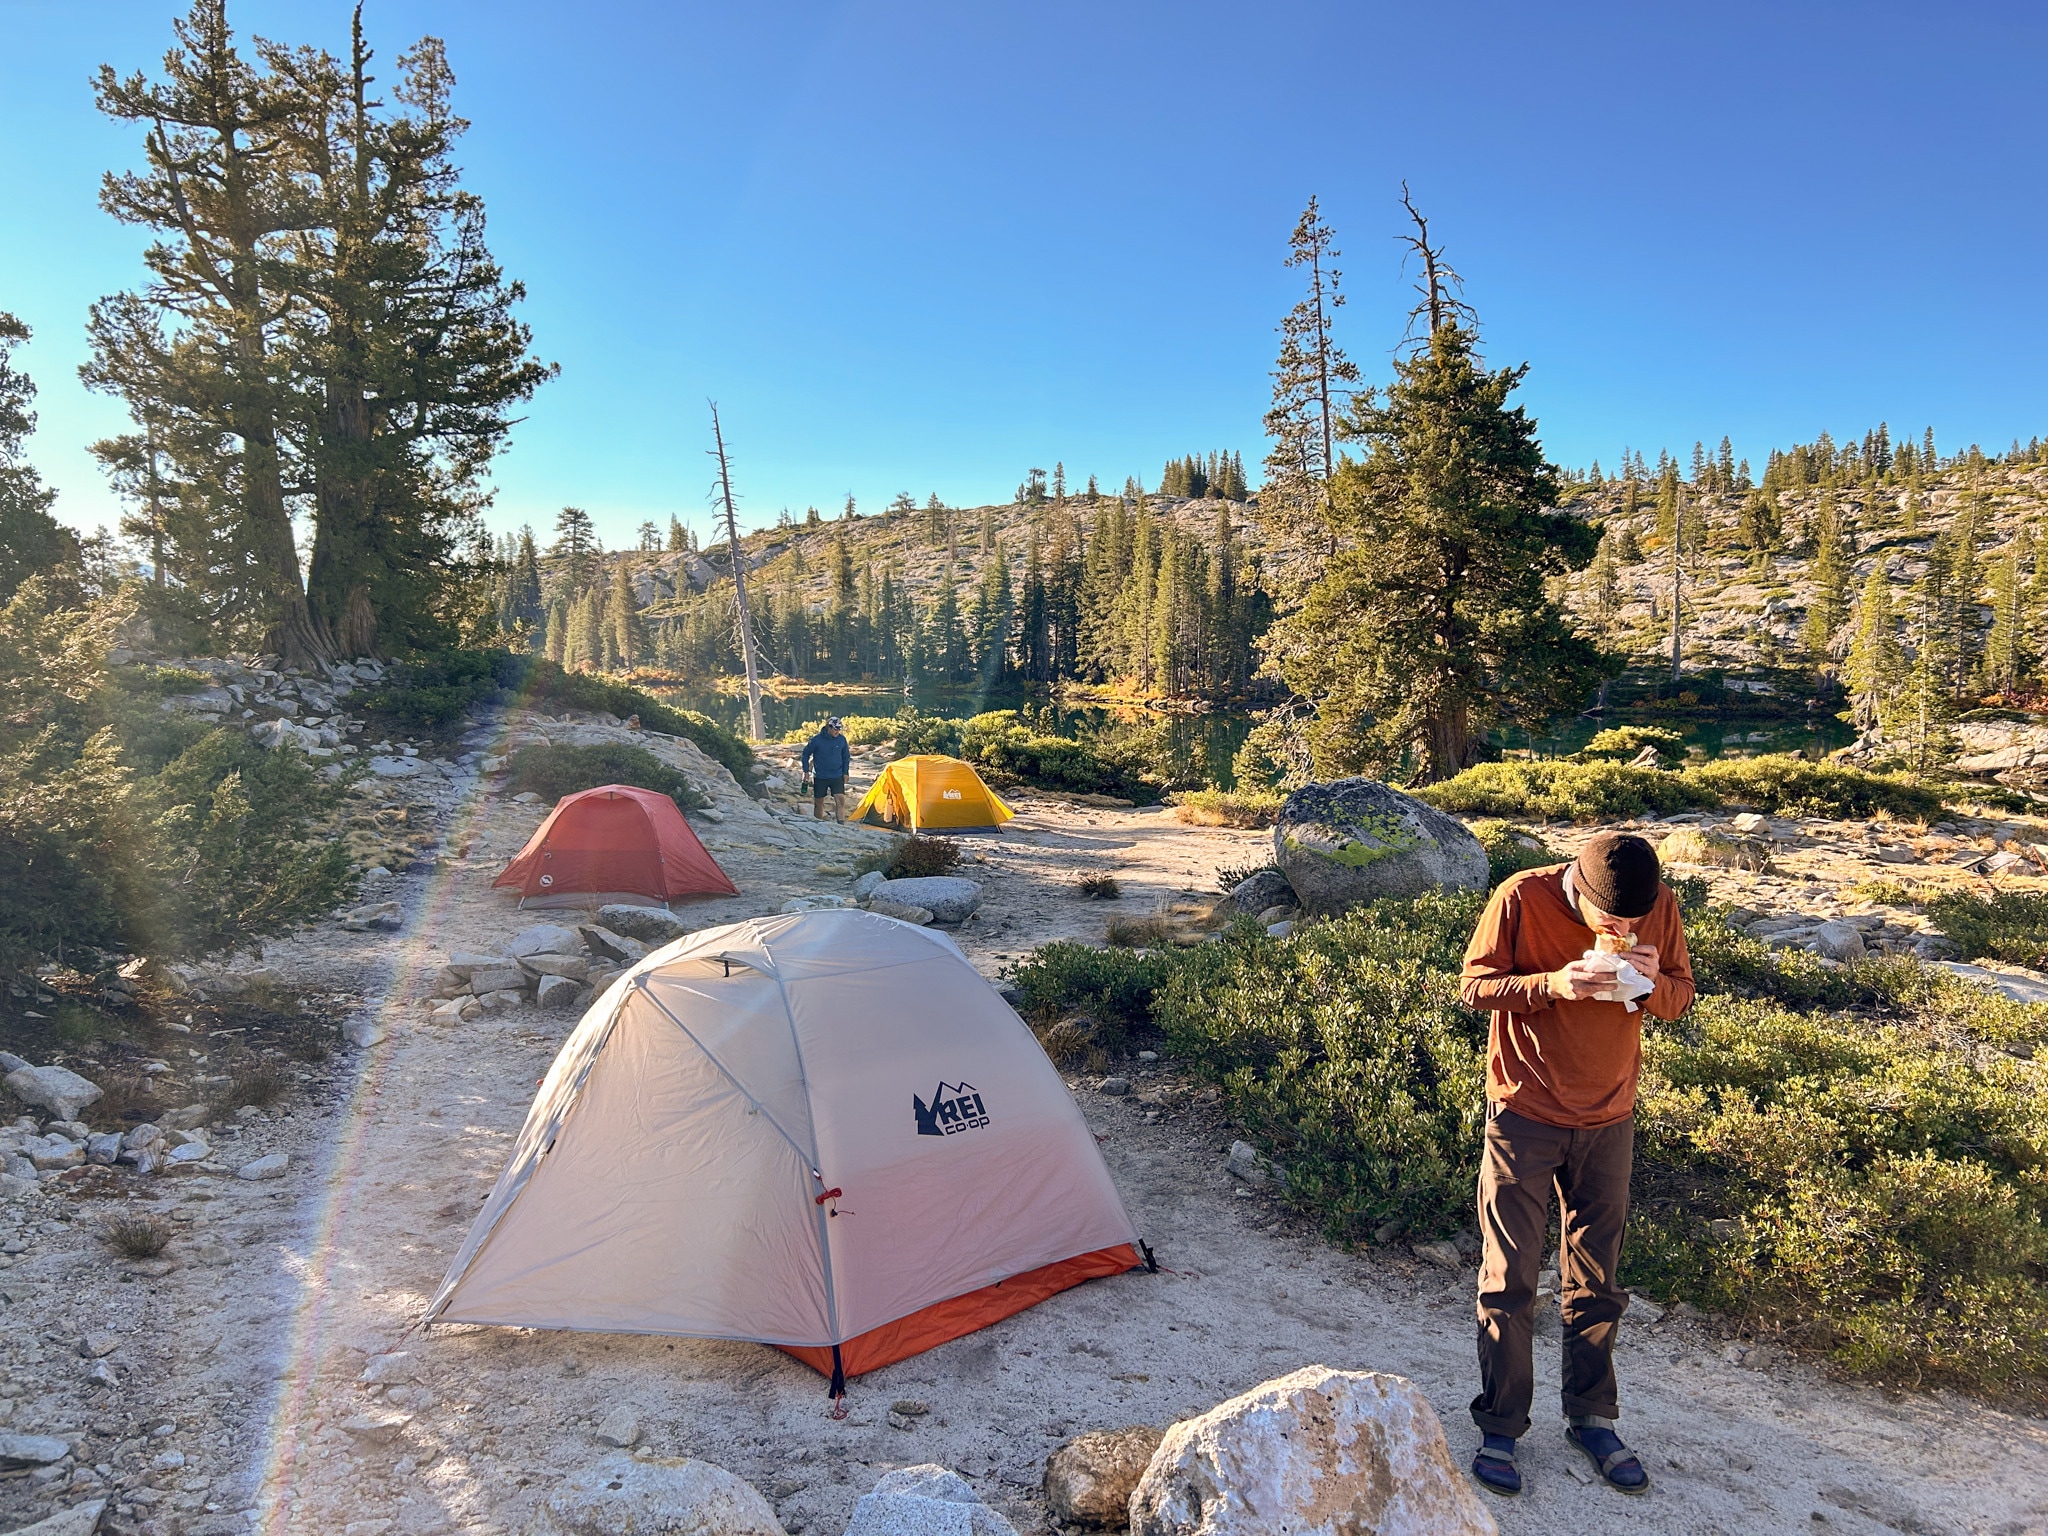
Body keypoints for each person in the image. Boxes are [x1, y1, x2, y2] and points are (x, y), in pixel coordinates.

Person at [1457, 831, 1694, 1499]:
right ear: (1579, 891)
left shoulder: (1659, 905)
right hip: (1524, 1115)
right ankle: (1501, 1426)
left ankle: (1592, 1417)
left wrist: (1648, 984)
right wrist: (1554, 984)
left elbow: (1681, 995)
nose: (1622, 929)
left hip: (1609, 1116)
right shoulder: (1521, 897)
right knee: (1510, 1277)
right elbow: (1474, 988)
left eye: (1634, 920)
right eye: (1609, 921)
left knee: (1598, 1279)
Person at [800, 716, 851, 822]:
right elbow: (805, 754)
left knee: (840, 800)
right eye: (835, 728)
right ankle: (818, 823)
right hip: (820, 776)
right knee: (819, 802)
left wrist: (845, 772)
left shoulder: (841, 740)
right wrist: (806, 771)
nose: (837, 731)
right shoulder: (816, 740)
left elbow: (846, 757)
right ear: (829, 727)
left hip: (837, 775)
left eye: (839, 729)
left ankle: (841, 823)